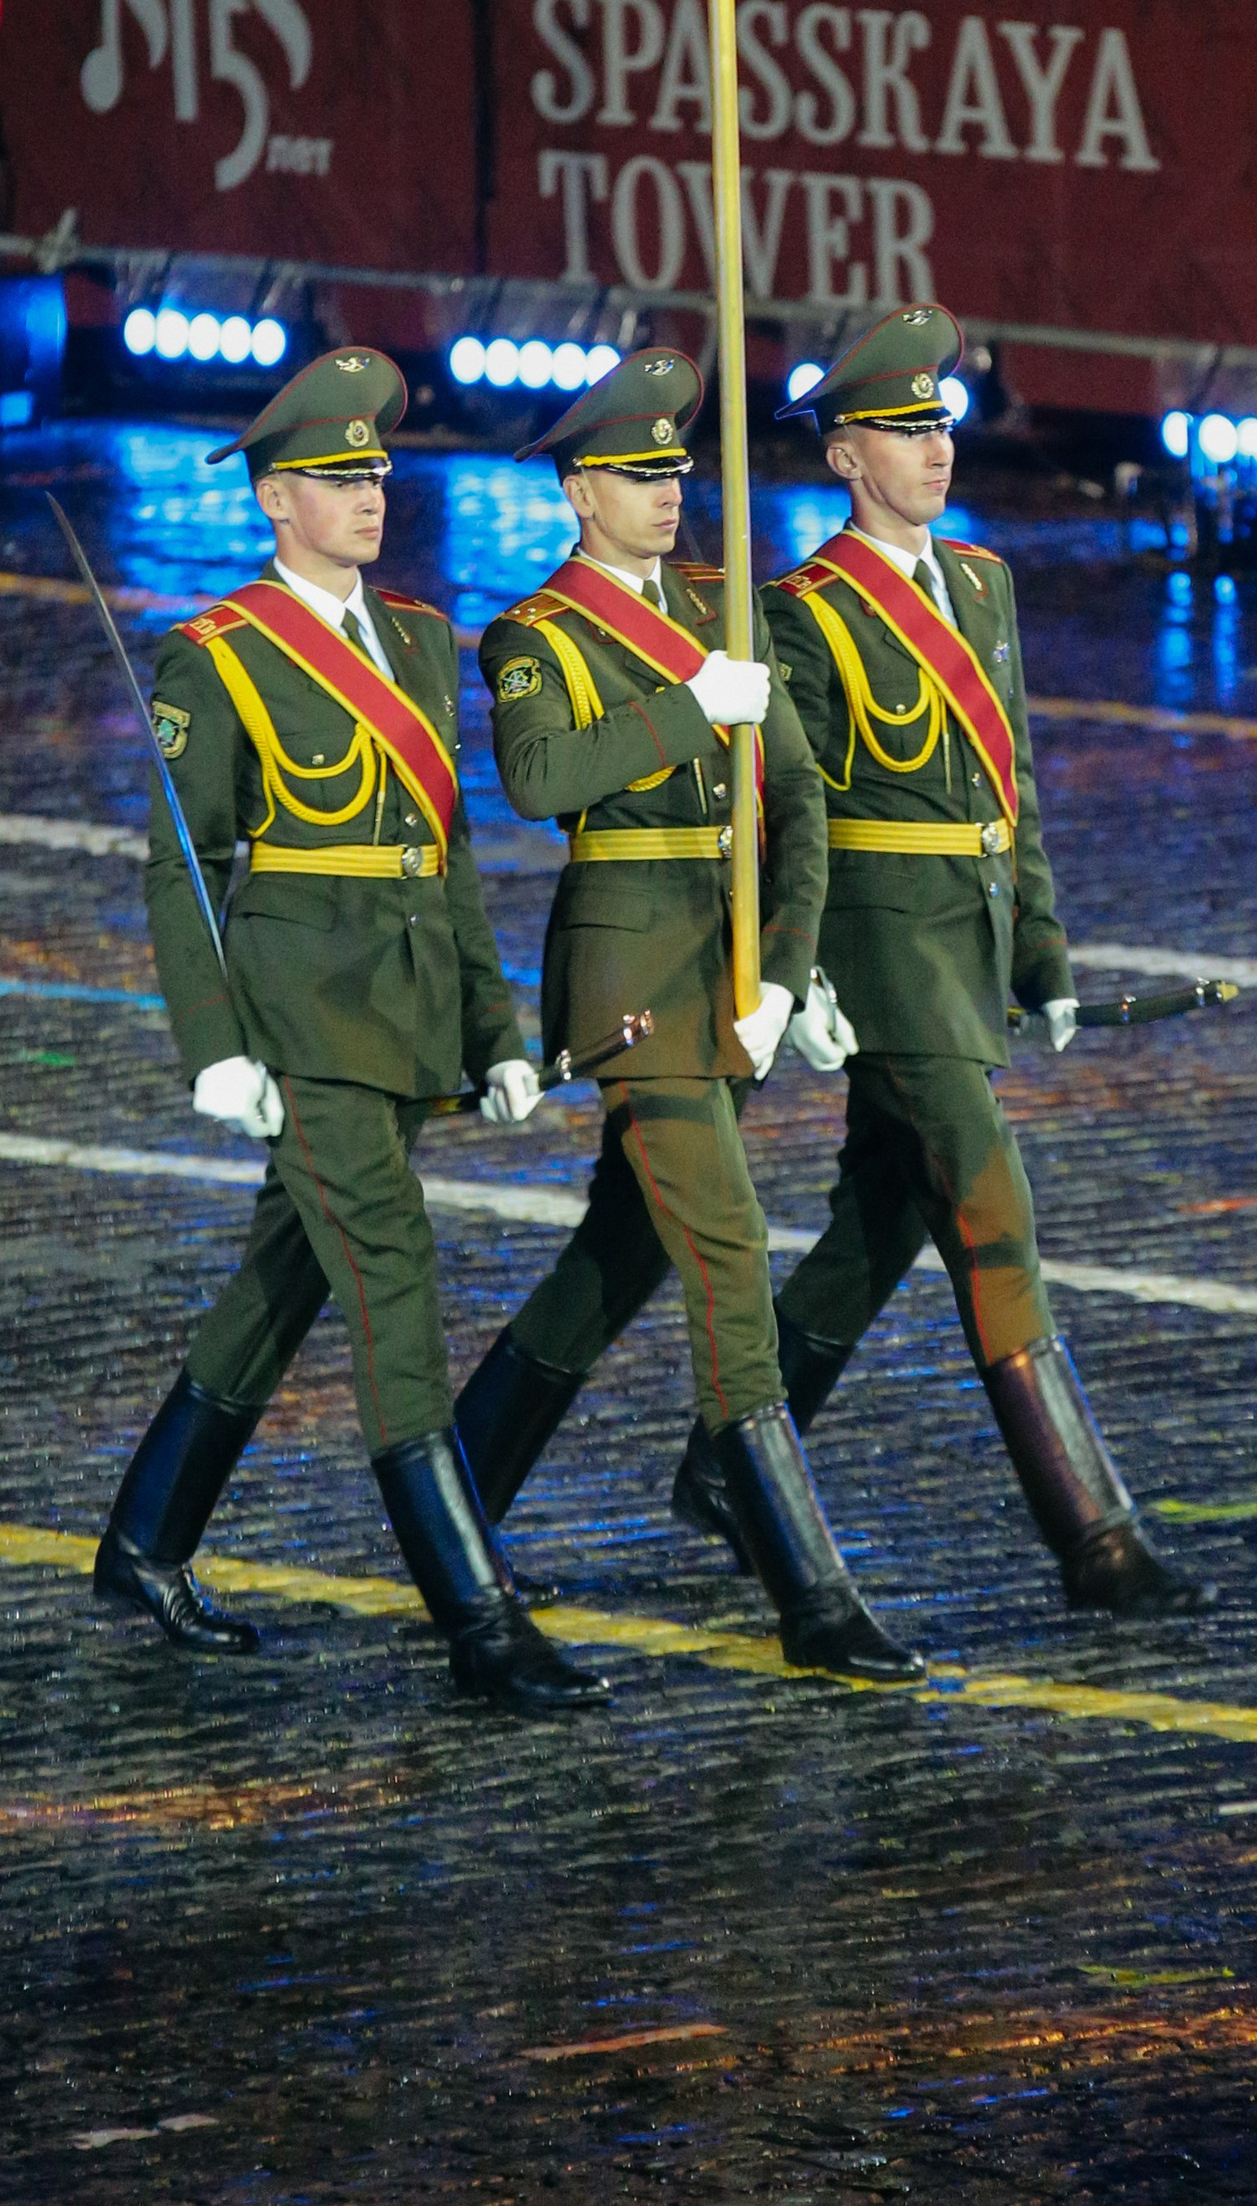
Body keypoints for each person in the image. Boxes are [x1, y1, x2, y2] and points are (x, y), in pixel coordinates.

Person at [672, 307, 1215, 1629]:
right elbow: (786, 807)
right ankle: (1093, 1534)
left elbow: (1009, 781)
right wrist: (794, 967)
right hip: (882, 950)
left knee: (881, 1220)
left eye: (940, 426)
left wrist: (1042, 952)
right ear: (844, 456)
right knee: (989, 1204)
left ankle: (728, 1464)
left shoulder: (981, 585)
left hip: (964, 942)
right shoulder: (802, 611)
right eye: (903, 431)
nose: (934, 449)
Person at [94, 346, 606, 1716]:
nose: (372, 493)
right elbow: (182, 863)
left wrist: (494, 1030)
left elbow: (444, 857)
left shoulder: (423, 638)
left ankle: (143, 1539)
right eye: (338, 476)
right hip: (304, 1024)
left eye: (377, 471)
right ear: (276, 498)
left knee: (287, 1277)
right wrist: (215, 1046)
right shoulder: (218, 656)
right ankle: (478, 1620)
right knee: (392, 1282)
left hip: (405, 1022)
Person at [450, 347, 924, 1686]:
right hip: (634, 987)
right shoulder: (535, 634)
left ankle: (458, 1502)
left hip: (734, 979)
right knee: (727, 1254)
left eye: (673, 469)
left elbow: (800, 799)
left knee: (621, 1252)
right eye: (637, 474)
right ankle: (810, 1595)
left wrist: (788, 968)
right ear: (580, 492)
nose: (668, 492)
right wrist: (685, 709)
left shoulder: (727, 600)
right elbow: (540, 779)